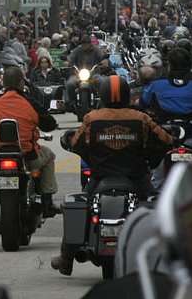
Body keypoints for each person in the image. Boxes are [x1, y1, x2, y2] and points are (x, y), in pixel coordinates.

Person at [51, 75, 175, 276]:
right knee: (161, 207)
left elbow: (76, 144)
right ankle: (166, 257)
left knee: (81, 205)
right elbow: (165, 140)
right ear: (126, 94)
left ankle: (66, 259)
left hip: (100, 178)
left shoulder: (92, 118)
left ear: (102, 94)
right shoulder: (141, 118)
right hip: (136, 178)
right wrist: (152, 157)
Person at [0, 67, 59, 224]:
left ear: (3, 83)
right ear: (21, 83)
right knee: (49, 156)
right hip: (29, 156)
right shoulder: (30, 102)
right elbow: (49, 125)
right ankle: (47, 201)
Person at [138, 48, 192, 157]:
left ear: (169, 65)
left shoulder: (156, 83)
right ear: (190, 64)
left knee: (154, 167)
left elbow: (142, 104)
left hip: (164, 139)